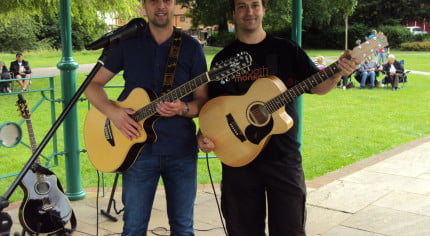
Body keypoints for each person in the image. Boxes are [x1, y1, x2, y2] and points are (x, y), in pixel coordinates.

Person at [197, 0, 359, 235]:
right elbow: (212, 106)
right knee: (242, 230)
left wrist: (337, 73)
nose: (249, 12)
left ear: (264, 10)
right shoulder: (224, 58)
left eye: (255, 5)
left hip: (283, 157)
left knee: (289, 229)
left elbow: (318, 86)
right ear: (234, 13)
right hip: (239, 160)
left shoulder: (286, 50)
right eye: (242, 6)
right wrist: (204, 134)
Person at [84, 0, 208, 235]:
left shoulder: (191, 48)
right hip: (137, 151)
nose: (160, 5)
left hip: (180, 150)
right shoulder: (127, 44)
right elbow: (93, 85)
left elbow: (202, 102)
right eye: (153, 0)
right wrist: (113, 113)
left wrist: (182, 108)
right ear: (144, 6)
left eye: (166, 0)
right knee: (133, 227)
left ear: (174, 5)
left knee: (183, 227)